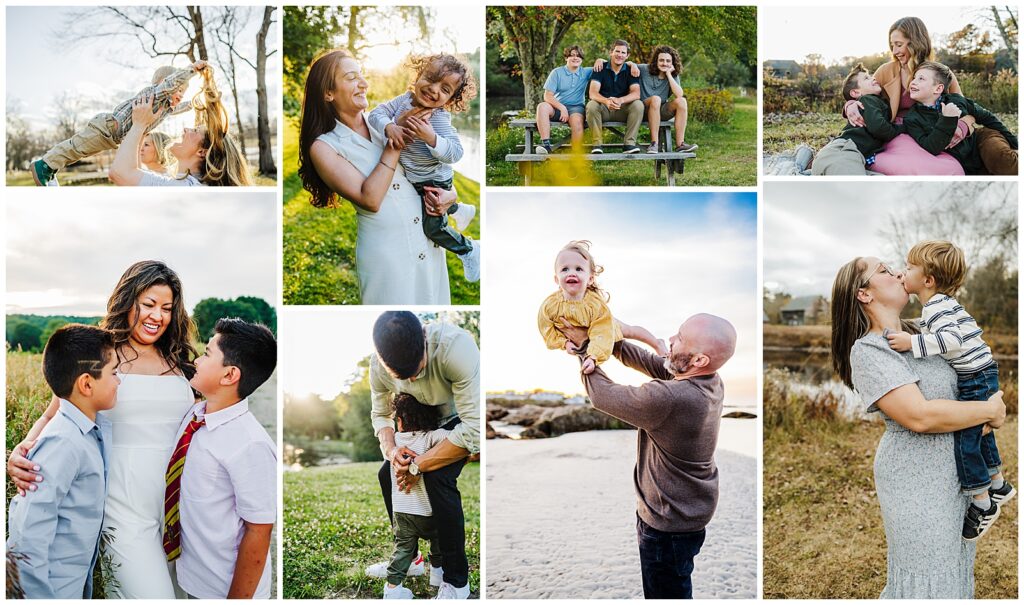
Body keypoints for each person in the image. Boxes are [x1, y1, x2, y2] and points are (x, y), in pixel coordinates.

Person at [8, 260, 200, 598]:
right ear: (128, 300)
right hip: (123, 508)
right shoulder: (101, 353)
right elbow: (56, 414)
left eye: (167, 308)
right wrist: (21, 450)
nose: (158, 316)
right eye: (149, 304)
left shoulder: (179, 360)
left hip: (177, 509)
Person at [830, 256, 1007, 598]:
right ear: (864, 294)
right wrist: (988, 411)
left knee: (953, 571)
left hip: (956, 473)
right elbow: (920, 416)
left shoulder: (923, 332)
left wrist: (984, 415)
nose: (897, 273)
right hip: (914, 478)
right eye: (883, 271)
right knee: (925, 580)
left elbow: (972, 371)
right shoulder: (869, 350)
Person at [560, 313, 737, 599]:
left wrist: (583, 352)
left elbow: (603, 396)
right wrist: (601, 338)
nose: (670, 340)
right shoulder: (709, 380)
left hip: (668, 523)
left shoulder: (672, 398)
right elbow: (648, 361)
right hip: (689, 511)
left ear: (699, 360)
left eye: (680, 338)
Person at [297, 50, 458, 304]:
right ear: (328, 93)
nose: (363, 84)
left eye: (362, 76)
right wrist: (395, 143)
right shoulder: (323, 146)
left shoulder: (382, 119)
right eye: (351, 77)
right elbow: (369, 198)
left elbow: (432, 165)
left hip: (426, 243)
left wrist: (451, 194)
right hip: (387, 254)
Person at [883, 241, 1015, 540]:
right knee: (981, 431)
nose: (903, 272)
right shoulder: (943, 305)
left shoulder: (936, 307)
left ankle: (983, 503)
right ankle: (999, 484)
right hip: (982, 371)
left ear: (927, 280)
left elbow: (952, 339)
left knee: (966, 439)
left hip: (976, 375)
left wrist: (911, 343)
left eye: (908, 268)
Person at [366, 311, 479, 599]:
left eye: (417, 369)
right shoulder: (377, 366)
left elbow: (474, 428)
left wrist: (417, 465)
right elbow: (380, 415)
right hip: (416, 422)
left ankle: (456, 582)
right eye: (404, 377)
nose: (413, 379)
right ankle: (411, 557)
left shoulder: (457, 348)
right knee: (385, 474)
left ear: (425, 340)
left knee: (437, 478)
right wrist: (392, 453)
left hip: (457, 420)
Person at [166, 318, 277, 598]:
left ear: (229, 375)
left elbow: (259, 530)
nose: (197, 361)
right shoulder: (195, 415)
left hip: (223, 589)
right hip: (191, 576)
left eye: (206, 354)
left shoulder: (250, 444)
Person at [7, 325, 119, 598]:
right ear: (86, 384)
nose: (119, 381)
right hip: (49, 590)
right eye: (114, 373)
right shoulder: (63, 443)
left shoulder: (90, 430)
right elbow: (28, 534)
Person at [842, 17, 1014, 176]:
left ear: (915, 42)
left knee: (965, 164)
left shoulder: (940, 72)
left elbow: (964, 107)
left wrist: (962, 125)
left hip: (938, 129)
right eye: (892, 45)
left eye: (899, 44)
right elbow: (863, 92)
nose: (894, 51)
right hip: (900, 132)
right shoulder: (885, 71)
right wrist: (850, 105)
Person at [367, 53, 480, 282]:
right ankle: (460, 210)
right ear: (418, 75)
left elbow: (456, 152)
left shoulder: (438, 118)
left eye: (445, 89)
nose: (434, 89)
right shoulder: (403, 101)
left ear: (450, 99)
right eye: (431, 78)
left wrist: (432, 138)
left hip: (434, 179)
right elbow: (376, 114)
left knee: (433, 228)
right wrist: (390, 127)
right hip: (415, 177)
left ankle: (469, 249)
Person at [30, 62, 204, 186]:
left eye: (184, 92)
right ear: (162, 83)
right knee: (77, 146)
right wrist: (191, 70)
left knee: (81, 151)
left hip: (112, 138)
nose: (181, 94)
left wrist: (195, 104)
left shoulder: (166, 107)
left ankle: (51, 167)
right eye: (180, 90)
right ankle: (44, 165)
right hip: (107, 127)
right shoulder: (154, 95)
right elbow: (170, 84)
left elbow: (179, 108)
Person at [109, 66, 254, 186]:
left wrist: (139, 124)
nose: (186, 129)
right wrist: (144, 126)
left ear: (202, 152)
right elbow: (134, 173)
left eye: (195, 130)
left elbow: (119, 173)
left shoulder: (186, 186)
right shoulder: (185, 183)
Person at [538, 240, 666, 374]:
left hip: (603, 324)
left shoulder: (596, 305)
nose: (572, 273)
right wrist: (564, 343)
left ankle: (657, 343)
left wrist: (593, 356)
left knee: (630, 331)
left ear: (590, 279)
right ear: (557, 279)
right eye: (565, 269)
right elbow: (546, 327)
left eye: (579, 269)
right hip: (587, 331)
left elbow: (601, 332)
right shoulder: (550, 305)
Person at [381, 393, 450, 599]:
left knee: (402, 550)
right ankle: (437, 576)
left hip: (402, 513)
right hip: (428, 511)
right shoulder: (432, 437)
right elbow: (453, 439)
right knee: (438, 541)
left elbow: (386, 449)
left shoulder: (396, 443)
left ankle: (392, 591)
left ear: (399, 422)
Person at [902, 61, 1018, 175]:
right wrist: (947, 119)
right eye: (914, 78)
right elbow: (931, 147)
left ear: (938, 89)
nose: (913, 82)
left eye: (920, 79)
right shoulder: (912, 118)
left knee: (1002, 160)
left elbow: (987, 117)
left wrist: (1015, 143)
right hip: (965, 162)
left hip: (980, 140)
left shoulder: (956, 100)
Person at [812, 63, 902, 175]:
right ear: (856, 92)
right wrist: (901, 128)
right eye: (866, 78)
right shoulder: (868, 100)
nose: (873, 78)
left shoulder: (874, 101)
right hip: (841, 152)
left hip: (846, 157)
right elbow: (878, 127)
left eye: (871, 76)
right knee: (859, 189)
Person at [585, 39, 643, 154]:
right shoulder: (600, 68)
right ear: (611, 52)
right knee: (591, 105)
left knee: (638, 104)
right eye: (617, 51)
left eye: (623, 53)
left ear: (627, 56)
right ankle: (597, 144)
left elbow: (636, 93)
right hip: (603, 110)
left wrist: (621, 100)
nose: (619, 55)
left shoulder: (631, 70)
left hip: (622, 110)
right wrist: (606, 101)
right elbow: (593, 93)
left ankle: (629, 145)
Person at [636, 45, 695, 154]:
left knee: (682, 101)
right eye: (661, 60)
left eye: (668, 61)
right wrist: (631, 65)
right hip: (642, 109)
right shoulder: (644, 69)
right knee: (655, 99)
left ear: (672, 63)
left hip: (659, 111)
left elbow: (679, 94)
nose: (664, 63)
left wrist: (668, 74)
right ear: (656, 60)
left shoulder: (672, 75)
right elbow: (624, 64)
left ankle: (680, 144)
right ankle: (654, 143)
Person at [535, 46, 594, 153]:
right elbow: (547, 96)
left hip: (576, 108)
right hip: (556, 107)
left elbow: (608, 66)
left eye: (578, 56)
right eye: (571, 55)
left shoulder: (586, 72)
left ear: (582, 59)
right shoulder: (557, 72)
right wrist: (562, 108)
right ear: (566, 58)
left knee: (577, 122)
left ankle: (576, 155)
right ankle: (546, 146)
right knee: (542, 107)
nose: (575, 58)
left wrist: (600, 60)